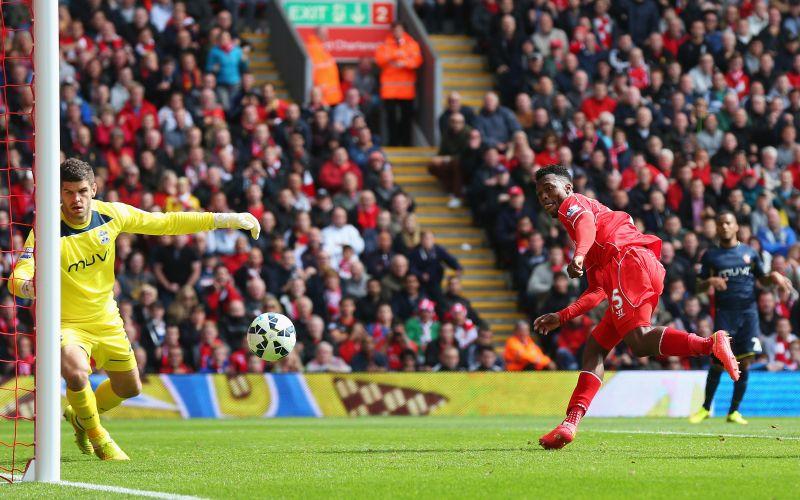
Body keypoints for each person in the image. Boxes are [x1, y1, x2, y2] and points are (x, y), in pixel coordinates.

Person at [9, 158, 261, 461]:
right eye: (67, 192)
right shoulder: (47, 228)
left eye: (82, 191)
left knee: (129, 387)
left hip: (106, 318)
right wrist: (29, 287)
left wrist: (226, 219)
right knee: (76, 374)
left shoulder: (111, 215)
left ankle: (79, 417)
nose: (75, 199)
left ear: (94, 189)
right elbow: (17, 276)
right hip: (65, 323)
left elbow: (166, 222)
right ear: (59, 194)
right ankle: (99, 437)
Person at [531, 165, 739, 450]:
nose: (544, 196)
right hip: (637, 267)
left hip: (628, 262)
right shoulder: (593, 236)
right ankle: (570, 423)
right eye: (540, 192)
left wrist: (578, 255)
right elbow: (597, 291)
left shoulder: (574, 204)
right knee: (596, 347)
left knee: (639, 342)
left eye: (549, 188)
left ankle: (709, 344)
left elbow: (585, 226)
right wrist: (562, 315)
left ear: (567, 188)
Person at [690, 212, 792, 425]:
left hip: (748, 314)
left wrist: (773, 277)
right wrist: (710, 281)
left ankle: (733, 412)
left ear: (736, 227)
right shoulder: (710, 256)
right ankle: (706, 407)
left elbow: (762, 280)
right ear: (717, 229)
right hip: (725, 314)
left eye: (728, 222)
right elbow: (697, 285)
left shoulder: (750, 253)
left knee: (745, 363)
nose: (724, 226)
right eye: (720, 223)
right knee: (718, 362)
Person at [375, 22, 422, 146]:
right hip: (389, 91)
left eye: (399, 30)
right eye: (394, 30)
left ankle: (406, 143)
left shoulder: (412, 45)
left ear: (404, 31)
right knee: (391, 119)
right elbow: (380, 59)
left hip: (406, 90)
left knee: (406, 118)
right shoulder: (385, 45)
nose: (397, 33)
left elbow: (417, 61)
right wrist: (398, 55)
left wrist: (404, 62)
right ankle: (393, 143)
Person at [305, 27, 343, 106]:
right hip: (324, 98)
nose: (327, 35)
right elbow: (317, 73)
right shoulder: (314, 48)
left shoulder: (320, 47)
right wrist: (321, 97)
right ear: (318, 34)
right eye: (324, 33)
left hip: (329, 97)